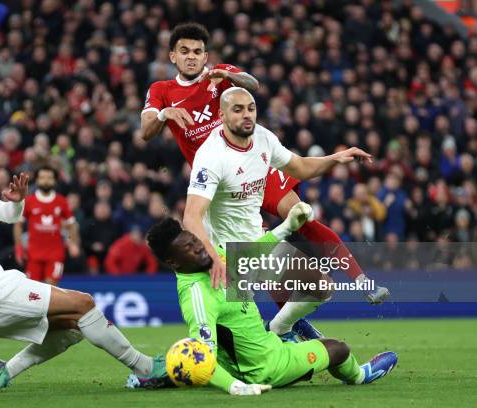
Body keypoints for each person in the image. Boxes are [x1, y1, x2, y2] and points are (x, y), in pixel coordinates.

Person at [0, 126, 167, 395]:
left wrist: (17, 202)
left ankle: (4, 372)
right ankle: (145, 370)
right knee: (84, 303)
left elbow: (8, 215)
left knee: (75, 326)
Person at [140, 23, 389, 318]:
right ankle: (284, 329)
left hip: (254, 163)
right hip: (219, 186)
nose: (191, 57)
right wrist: (165, 113)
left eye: (197, 51)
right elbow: (146, 130)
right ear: (172, 56)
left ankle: (362, 282)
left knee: (299, 214)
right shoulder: (162, 91)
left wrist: (228, 75)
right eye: (184, 52)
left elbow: (253, 84)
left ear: (206, 55)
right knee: (255, 257)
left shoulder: (219, 76)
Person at [183, 87, 378, 340]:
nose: (247, 115)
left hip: (260, 242)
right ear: (221, 115)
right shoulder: (211, 155)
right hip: (228, 254)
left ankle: (278, 330)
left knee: (321, 286)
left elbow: (300, 167)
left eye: (251, 109)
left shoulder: (263, 138)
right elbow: (191, 216)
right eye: (238, 109)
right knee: (238, 350)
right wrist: (213, 258)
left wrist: (336, 157)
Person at [133, 216, 397, 395]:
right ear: (174, 263)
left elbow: (252, 252)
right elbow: (204, 356)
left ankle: (166, 373)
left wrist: (286, 227)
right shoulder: (197, 296)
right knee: (337, 348)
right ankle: (361, 375)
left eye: (196, 241)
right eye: (189, 248)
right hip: (266, 368)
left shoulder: (215, 261)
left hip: (264, 344)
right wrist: (236, 387)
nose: (200, 248)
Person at [13, 166, 81, 286]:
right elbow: (18, 225)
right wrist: (19, 247)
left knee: (51, 290)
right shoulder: (29, 201)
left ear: (55, 181)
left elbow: (72, 224)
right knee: (32, 291)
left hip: (55, 255)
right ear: (37, 180)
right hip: (33, 255)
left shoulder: (61, 201)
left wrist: (73, 243)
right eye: (42, 177)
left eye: (49, 178)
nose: (46, 180)